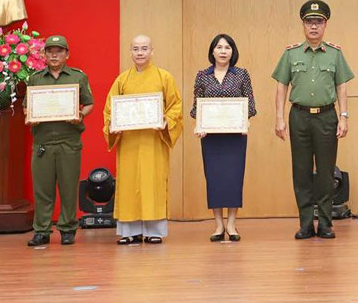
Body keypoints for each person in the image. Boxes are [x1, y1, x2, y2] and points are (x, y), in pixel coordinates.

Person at [272, 0, 353, 240]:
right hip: (299, 117)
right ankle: (306, 223)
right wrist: (279, 118)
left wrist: (344, 117)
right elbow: (281, 87)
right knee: (301, 171)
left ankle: (326, 224)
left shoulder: (335, 54)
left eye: (318, 22)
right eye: (309, 22)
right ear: (303, 25)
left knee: (326, 172)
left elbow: (342, 87)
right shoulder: (291, 53)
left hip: (327, 116)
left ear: (325, 24)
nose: (314, 26)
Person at [103, 34, 183, 245]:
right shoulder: (122, 80)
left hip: (152, 141)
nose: (140, 52)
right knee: (129, 185)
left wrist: (166, 120)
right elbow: (110, 109)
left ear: (152, 51)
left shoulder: (164, 77)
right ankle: (130, 231)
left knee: (152, 183)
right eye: (136, 49)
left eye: (144, 48)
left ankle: (154, 230)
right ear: (130, 52)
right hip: (129, 142)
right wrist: (113, 124)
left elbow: (175, 106)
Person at [24, 35, 94, 247]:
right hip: (43, 142)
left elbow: (89, 103)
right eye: (50, 51)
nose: (54, 55)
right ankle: (42, 231)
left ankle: (67, 229)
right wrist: (29, 116)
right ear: (44, 55)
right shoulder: (35, 78)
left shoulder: (77, 77)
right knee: (42, 189)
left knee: (68, 187)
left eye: (59, 51)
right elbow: (27, 106)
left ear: (67, 54)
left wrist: (80, 115)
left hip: (68, 141)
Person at [190, 33, 256, 242]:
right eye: (219, 47)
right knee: (215, 179)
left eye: (227, 47)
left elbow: (250, 105)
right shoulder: (202, 75)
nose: (223, 51)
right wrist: (199, 125)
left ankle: (232, 224)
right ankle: (218, 225)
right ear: (212, 51)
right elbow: (196, 107)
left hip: (235, 136)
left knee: (233, 179)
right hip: (211, 137)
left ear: (233, 52)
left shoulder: (241, 75)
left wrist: (245, 122)